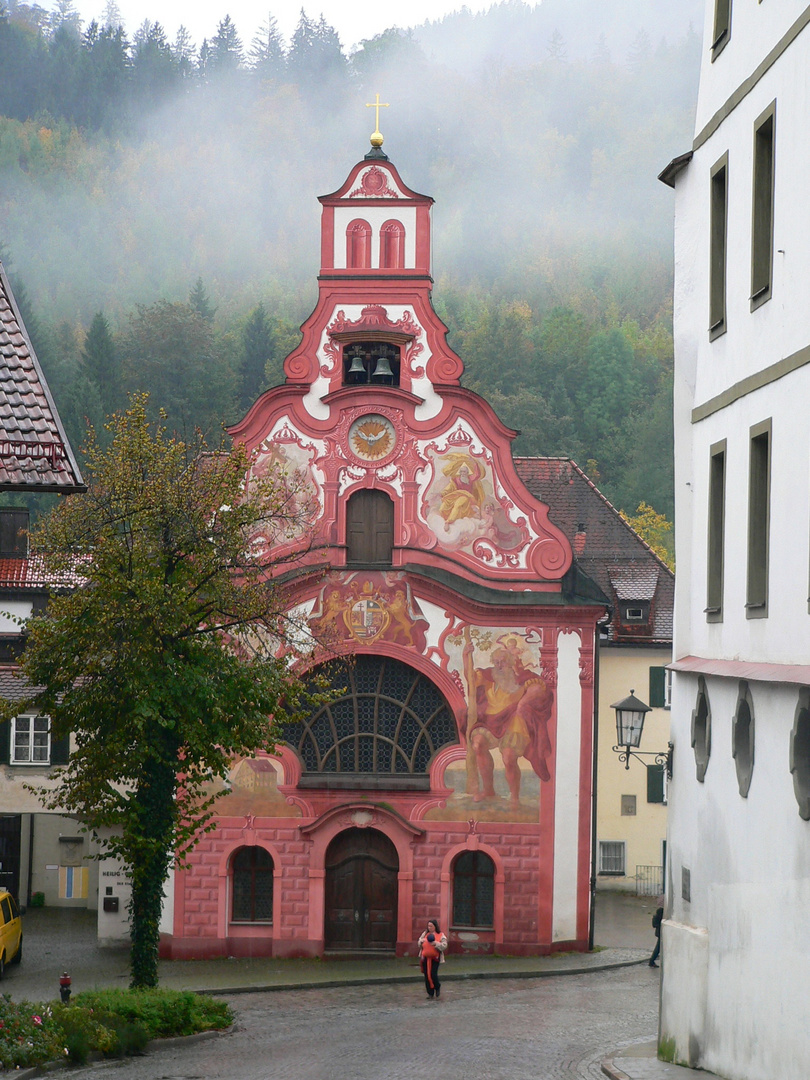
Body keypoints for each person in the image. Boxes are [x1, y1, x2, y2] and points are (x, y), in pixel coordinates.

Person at [462, 634, 553, 804]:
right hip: (490, 721)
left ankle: (515, 797)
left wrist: (522, 703)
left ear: (510, 662)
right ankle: (488, 791)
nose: (499, 665)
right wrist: (466, 656)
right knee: (478, 743)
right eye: (496, 661)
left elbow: (539, 688)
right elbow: (471, 678)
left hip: (513, 721)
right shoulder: (489, 676)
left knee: (509, 757)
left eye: (502, 661)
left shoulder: (521, 677)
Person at [417, 919, 448, 999]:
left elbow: (444, 945)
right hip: (425, 958)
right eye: (428, 926)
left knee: (433, 974)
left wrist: (436, 944)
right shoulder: (425, 934)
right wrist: (421, 941)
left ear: (435, 926)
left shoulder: (440, 934)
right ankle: (430, 993)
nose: (429, 927)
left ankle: (437, 987)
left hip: (435, 958)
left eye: (431, 926)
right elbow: (419, 942)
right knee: (427, 975)